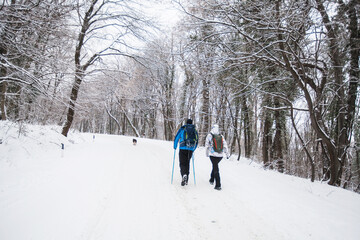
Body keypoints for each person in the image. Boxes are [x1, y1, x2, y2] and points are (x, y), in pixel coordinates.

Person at [174, 119, 199, 186]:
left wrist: (175, 146)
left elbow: (177, 137)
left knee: (182, 163)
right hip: (190, 149)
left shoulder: (183, 129)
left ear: (186, 123)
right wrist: (193, 149)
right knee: (187, 163)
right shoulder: (194, 130)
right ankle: (186, 180)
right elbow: (197, 140)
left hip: (182, 148)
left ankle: (183, 175)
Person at [205, 124, 230, 190]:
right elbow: (225, 146)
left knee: (216, 168)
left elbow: (207, 145)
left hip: (212, 155)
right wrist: (227, 154)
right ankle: (211, 179)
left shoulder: (209, 135)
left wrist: (207, 154)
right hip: (220, 155)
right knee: (215, 166)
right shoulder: (221, 136)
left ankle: (218, 185)